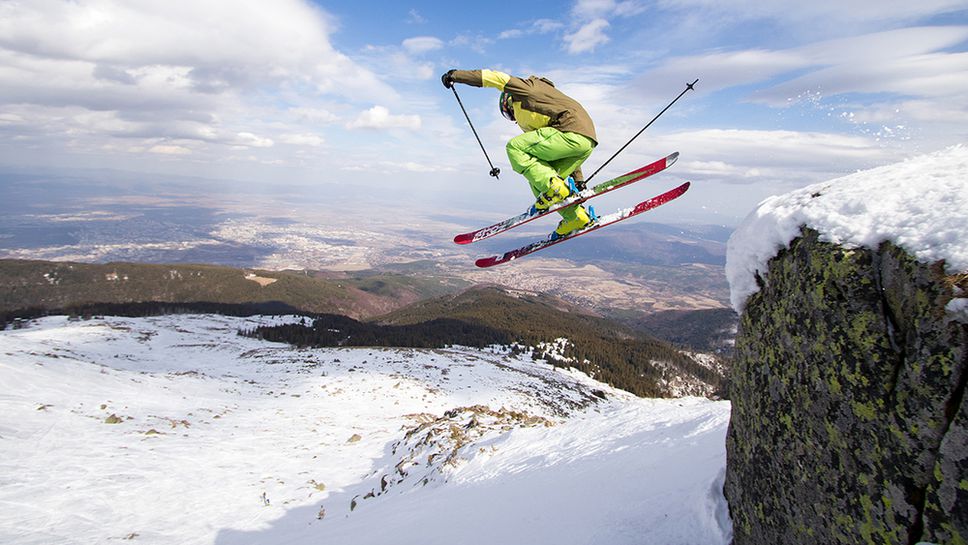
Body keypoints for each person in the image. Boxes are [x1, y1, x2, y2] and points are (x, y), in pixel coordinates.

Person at [442, 68, 597, 237]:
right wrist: (578, 180)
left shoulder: (525, 90)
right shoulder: (547, 105)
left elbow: (496, 78)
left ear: (508, 103)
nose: (514, 120)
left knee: (515, 147)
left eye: (509, 115)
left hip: (569, 131)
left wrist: (456, 76)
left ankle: (556, 188)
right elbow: (567, 149)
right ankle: (576, 218)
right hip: (585, 142)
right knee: (539, 183)